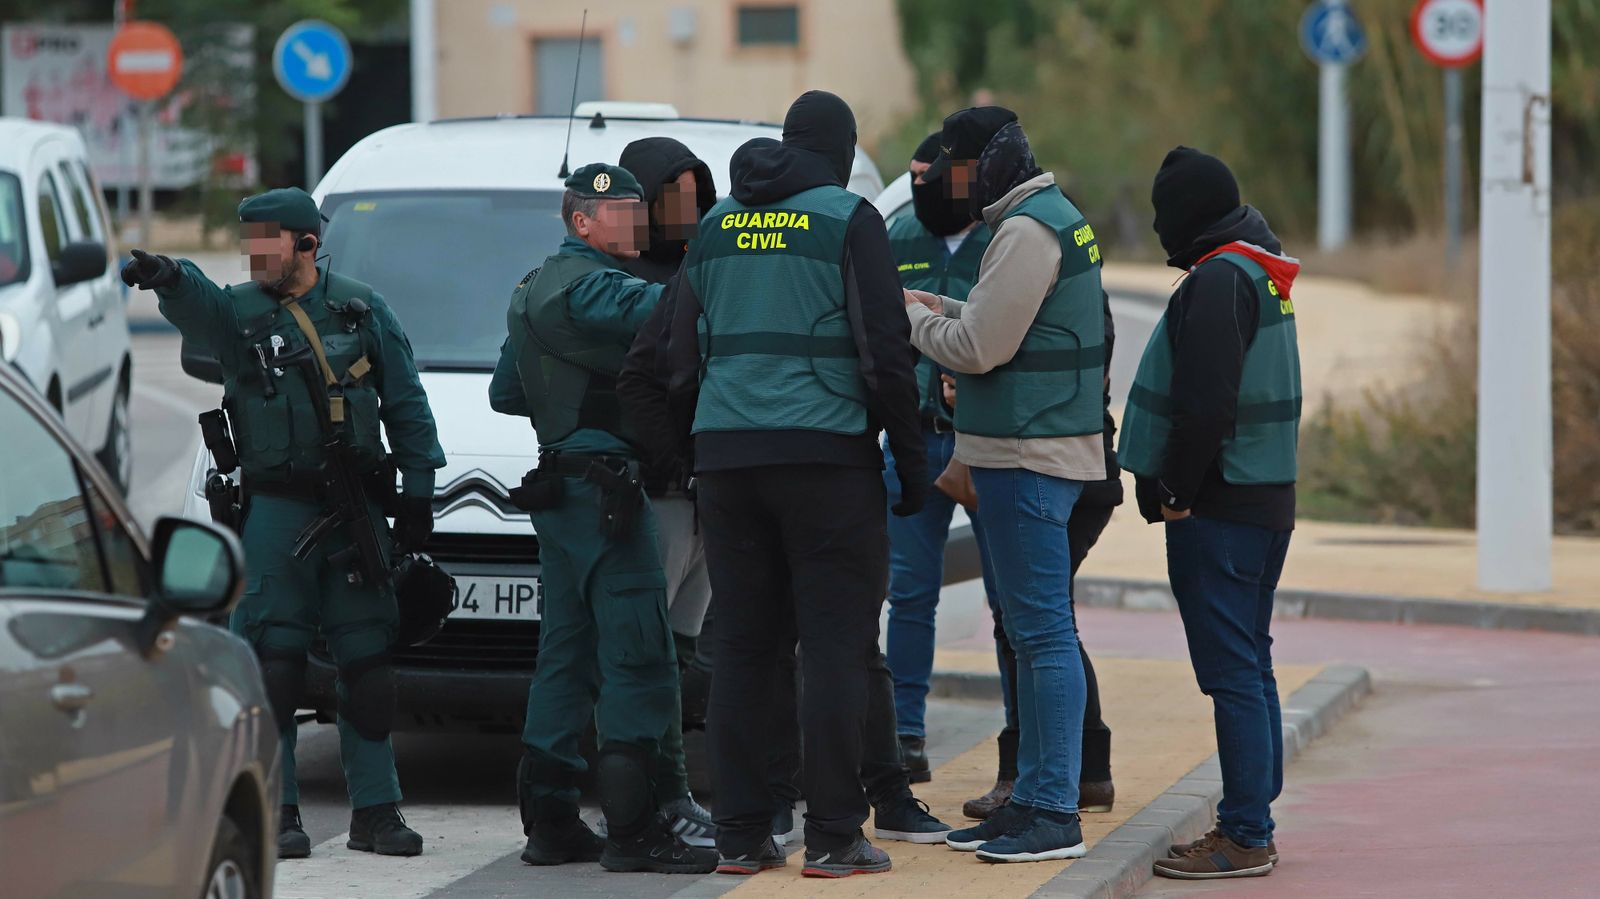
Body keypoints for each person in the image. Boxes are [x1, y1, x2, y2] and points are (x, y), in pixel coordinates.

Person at [617, 138, 950, 856]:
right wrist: (912, 462)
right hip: (827, 461)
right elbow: (887, 350)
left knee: (741, 647)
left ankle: (739, 833)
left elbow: (671, 356)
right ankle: (833, 836)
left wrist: (695, 450)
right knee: (835, 647)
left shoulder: (716, 227)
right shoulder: (848, 217)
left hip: (729, 464)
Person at [121, 187, 445, 859]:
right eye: (249, 242)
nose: (255, 255)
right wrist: (169, 277)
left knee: (367, 666)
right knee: (275, 668)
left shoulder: (359, 309)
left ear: (306, 243)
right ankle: (280, 806)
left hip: (351, 511)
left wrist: (418, 495)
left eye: (267, 241)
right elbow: (199, 305)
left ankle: (377, 810)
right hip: (273, 511)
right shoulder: (237, 314)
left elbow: (407, 403)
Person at [488, 162, 716, 875]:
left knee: (566, 656)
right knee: (640, 657)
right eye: (618, 210)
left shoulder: (531, 288)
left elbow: (505, 392)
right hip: (608, 492)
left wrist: (572, 394)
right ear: (581, 220)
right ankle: (635, 829)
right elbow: (676, 314)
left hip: (563, 489)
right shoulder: (592, 285)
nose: (635, 221)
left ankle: (552, 821)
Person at [903, 107, 1105, 863]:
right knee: (1031, 633)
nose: (948, 183)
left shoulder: (1025, 230)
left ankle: (1053, 810)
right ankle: (1031, 797)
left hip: (1027, 455)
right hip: (1031, 450)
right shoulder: (1044, 217)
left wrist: (913, 322)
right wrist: (943, 306)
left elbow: (983, 348)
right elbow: (1009, 322)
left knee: (1043, 634)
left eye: (955, 168)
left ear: (986, 164)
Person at [1119, 147, 1301, 881]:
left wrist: (1173, 488)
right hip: (1264, 499)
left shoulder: (1220, 280)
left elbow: (1205, 406)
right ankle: (1255, 811)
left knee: (1231, 671)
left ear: (1185, 216)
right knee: (1250, 663)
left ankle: (1245, 832)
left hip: (1222, 505)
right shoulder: (1258, 270)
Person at [964, 287, 1122, 820]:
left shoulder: (1052, 299)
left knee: (1035, 627)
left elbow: (1009, 369)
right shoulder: (1076, 299)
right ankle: (1073, 775)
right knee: (1040, 624)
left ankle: (1041, 787)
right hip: (1078, 466)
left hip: (1057, 466)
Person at [612, 135, 720, 849]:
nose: (686, 209)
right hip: (660, 492)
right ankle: (651, 798)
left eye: (694, 193)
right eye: (671, 195)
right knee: (646, 653)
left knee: (681, 649)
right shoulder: (613, 277)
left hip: (712, 489)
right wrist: (674, 463)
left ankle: (667, 791)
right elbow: (637, 387)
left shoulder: (709, 267)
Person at [882, 132, 995, 784]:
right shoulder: (896, 236)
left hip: (988, 441)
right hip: (914, 438)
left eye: (932, 175)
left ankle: (1026, 743)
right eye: (913, 174)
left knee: (1014, 600)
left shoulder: (1006, 242)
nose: (921, 185)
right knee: (911, 593)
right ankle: (906, 735)